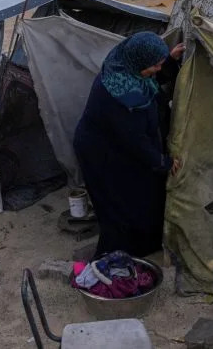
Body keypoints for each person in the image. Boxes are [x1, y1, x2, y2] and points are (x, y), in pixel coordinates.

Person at [73, 32, 185, 258]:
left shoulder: (126, 63)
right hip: (104, 154)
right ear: (140, 63)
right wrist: (162, 161)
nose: (157, 70)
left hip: (121, 146)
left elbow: (150, 78)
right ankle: (119, 256)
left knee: (141, 196)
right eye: (155, 66)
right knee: (121, 204)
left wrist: (169, 60)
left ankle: (141, 244)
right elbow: (135, 142)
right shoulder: (121, 97)